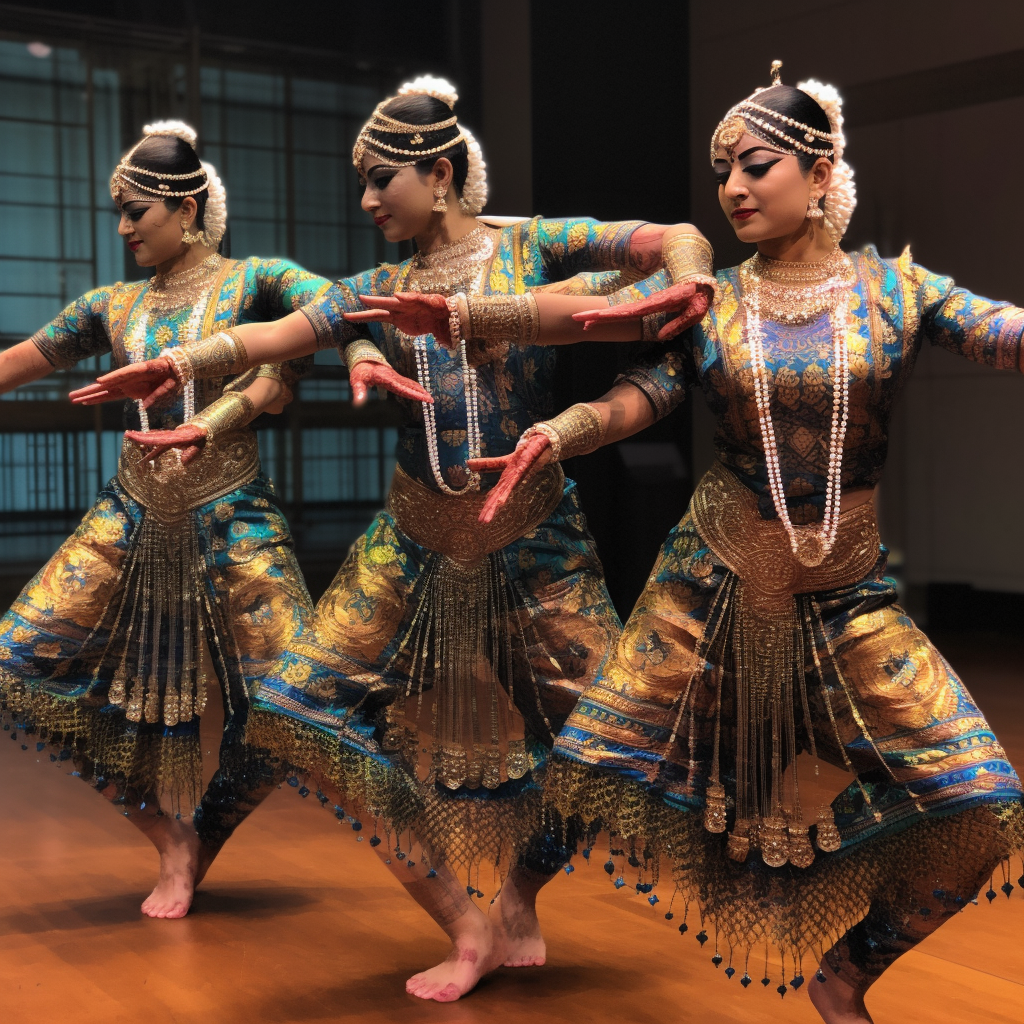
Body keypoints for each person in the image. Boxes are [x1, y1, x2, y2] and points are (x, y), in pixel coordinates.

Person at [360, 63, 1024, 1023]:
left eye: (755, 166)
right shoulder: (713, 296)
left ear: (822, 164)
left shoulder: (898, 290)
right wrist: (558, 427)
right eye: (722, 175)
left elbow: (1001, 332)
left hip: (846, 603)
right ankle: (504, 914)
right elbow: (642, 384)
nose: (734, 191)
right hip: (706, 591)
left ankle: (844, 976)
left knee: (979, 805)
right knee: (587, 765)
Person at [72, 76, 714, 1000]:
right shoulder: (377, 288)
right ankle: (464, 922)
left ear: (441, 174)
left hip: (534, 540)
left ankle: (520, 896)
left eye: (382, 181)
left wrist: (689, 272)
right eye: (362, 183)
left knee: (603, 742)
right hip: (407, 539)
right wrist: (175, 367)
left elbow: (663, 239)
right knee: (297, 711)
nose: (367, 200)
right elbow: (273, 338)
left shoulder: (533, 246)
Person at [0, 120, 423, 920]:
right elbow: (20, 360)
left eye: (136, 211)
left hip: (234, 523)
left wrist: (361, 354)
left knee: (294, 698)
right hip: (127, 521)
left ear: (187, 208)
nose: (123, 228)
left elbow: (333, 307)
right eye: (117, 213)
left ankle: (211, 833)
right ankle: (168, 837)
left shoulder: (255, 279)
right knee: (17, 659)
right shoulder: (109, 305)